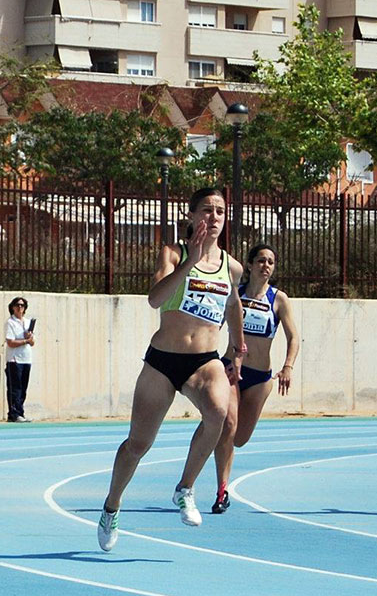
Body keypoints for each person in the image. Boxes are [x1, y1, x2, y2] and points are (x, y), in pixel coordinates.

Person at [97, 187, 245, 552]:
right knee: (138, 444)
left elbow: (233, 305)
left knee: (220, 414)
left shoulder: (232, 266)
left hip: (204, 361)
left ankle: (186, 487)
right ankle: (111, 506)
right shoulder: (173, 253)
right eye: (206, 211)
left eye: (220, 212)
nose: (213, 217)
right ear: (192, 216)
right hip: (163, 361)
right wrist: (188, 264)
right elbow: (155, 299)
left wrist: (236, 350)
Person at [210, 243, 300, 513]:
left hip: (260, 378)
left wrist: (288, 367)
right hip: (231, 370)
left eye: (271, 262)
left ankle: (213, 436)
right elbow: (213, 325)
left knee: (239, 438)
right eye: (261, 260)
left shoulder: (278, 299)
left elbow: (294, 337)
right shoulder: (234, 294)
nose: (266, 266)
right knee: (228, 425)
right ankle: (222, 490)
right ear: (249, 265)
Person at [5, 296, 35, 423]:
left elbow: (32, 342)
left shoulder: (28, 322)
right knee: (15, 388)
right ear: (12, 307)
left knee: (23, 388)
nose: (20, 307)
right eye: (17, 305)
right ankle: (13, 413)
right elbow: (10, 342)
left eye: (22, 305)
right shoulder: (10, 323)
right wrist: (25, 340)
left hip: (26, 359)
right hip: (14, 360)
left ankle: (20, 412)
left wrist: (29, 338)